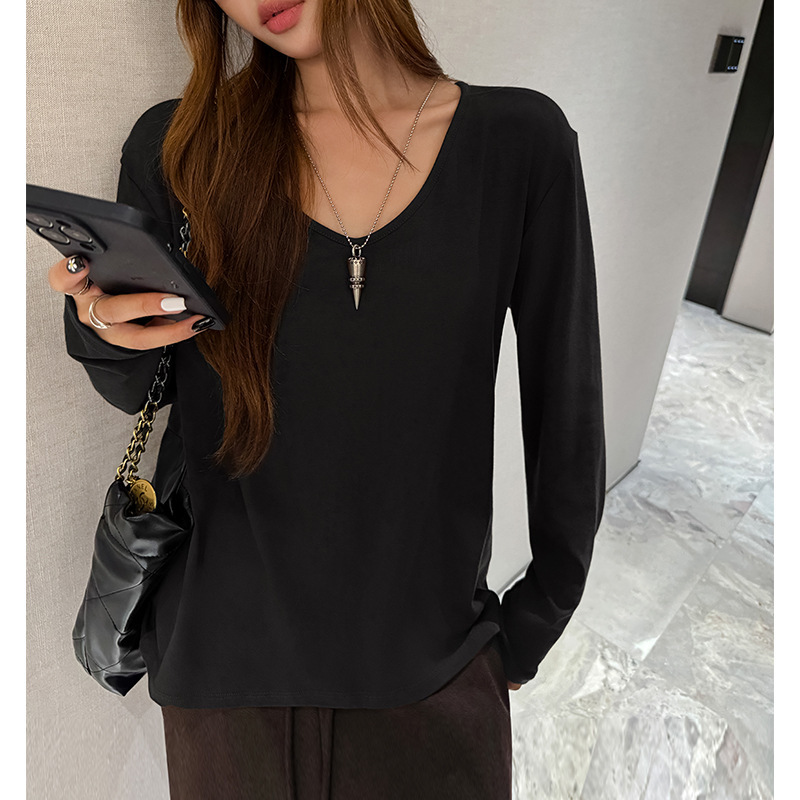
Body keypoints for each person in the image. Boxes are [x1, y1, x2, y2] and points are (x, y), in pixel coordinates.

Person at [47, 0, 606, 796]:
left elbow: (568, 402)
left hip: (431, 663)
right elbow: (140, 388)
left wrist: (538, 618)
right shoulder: (182, 146)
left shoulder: (518, 141)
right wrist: (101, 323)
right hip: (221, 673)